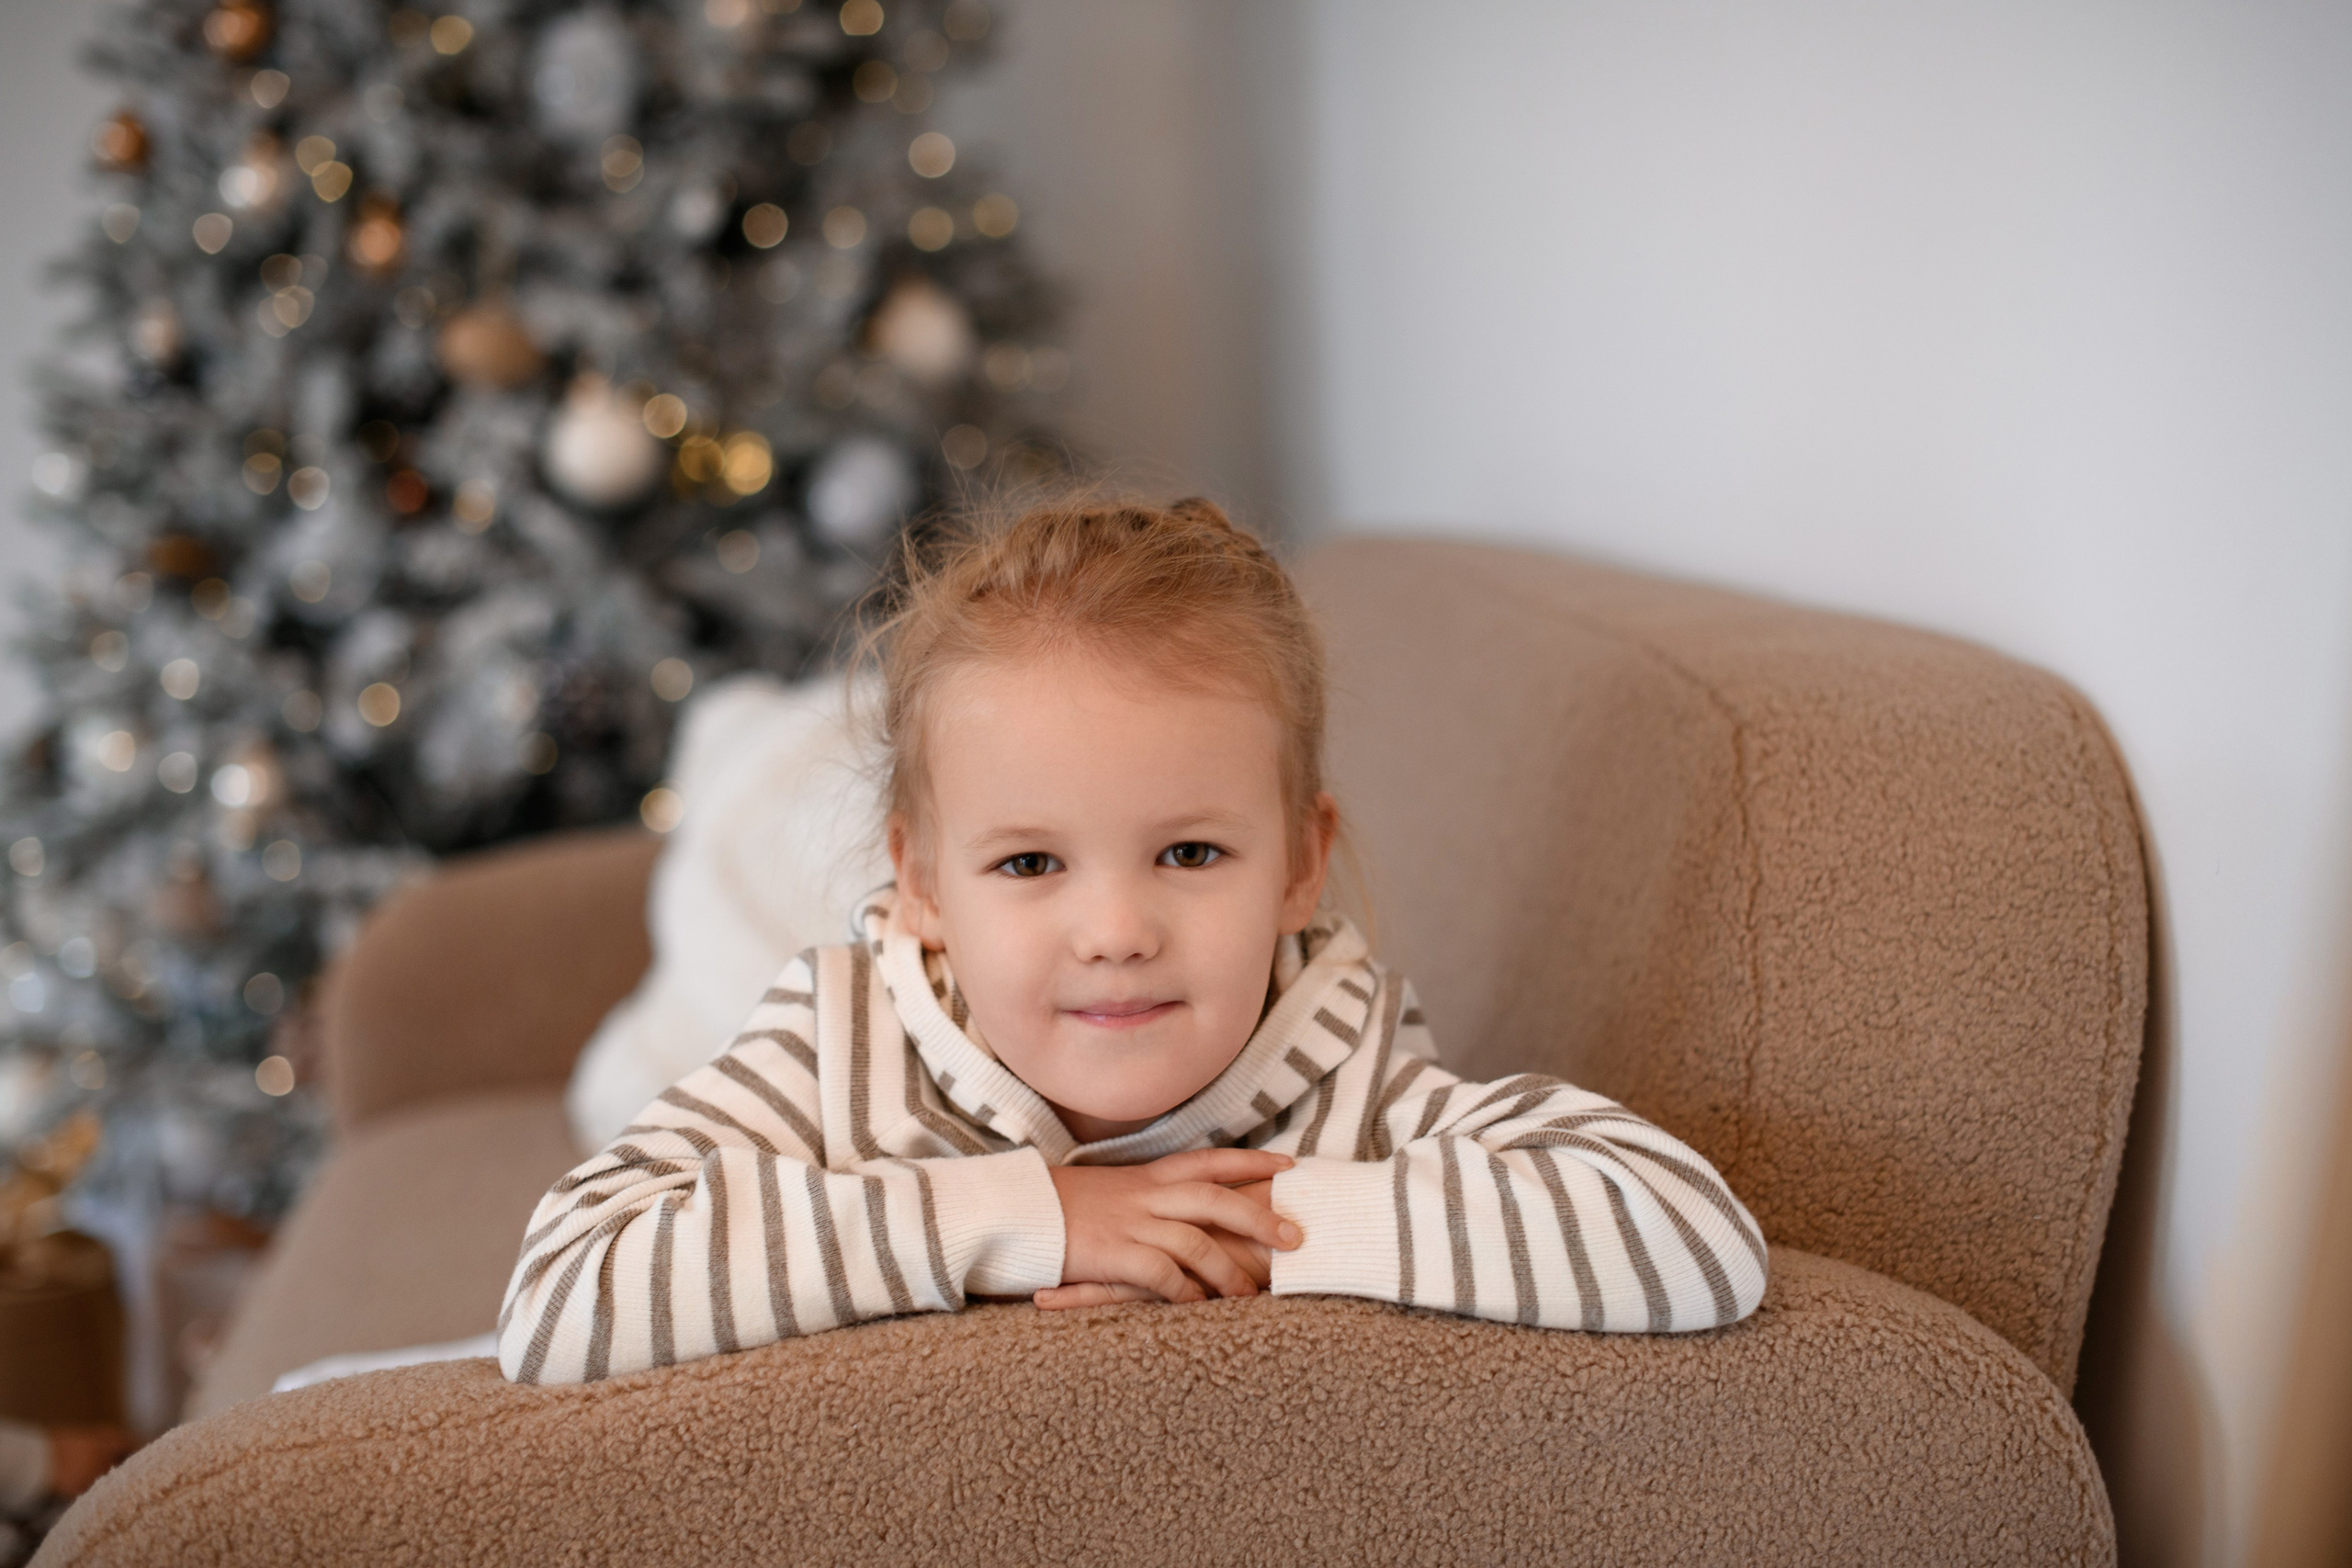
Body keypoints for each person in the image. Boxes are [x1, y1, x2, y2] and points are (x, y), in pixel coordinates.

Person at [498, 495, 1767, 1385]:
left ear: (1301, 865)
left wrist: (1262, 1238)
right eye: (1031, 864)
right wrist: (1033, 1218)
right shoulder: (842, 1041)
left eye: (1192, 854)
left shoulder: (1335, 1057)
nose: (1115, 932)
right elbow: (561, 1293)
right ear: (924, 882)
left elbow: (1696, 1244)